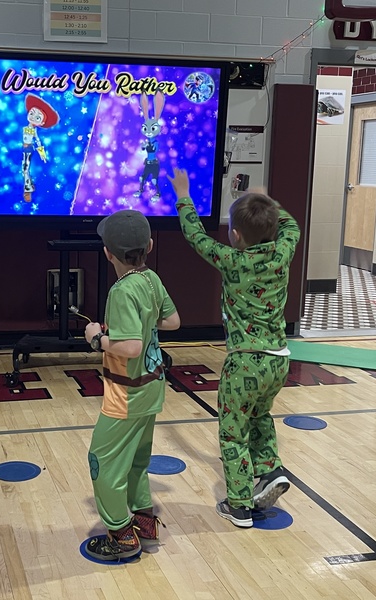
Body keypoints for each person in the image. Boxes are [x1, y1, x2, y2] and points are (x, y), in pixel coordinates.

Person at [168, 167, 301, 528]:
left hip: (245, 362)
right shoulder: (282, 253)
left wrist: (183, 196)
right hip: (278, 360)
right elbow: (291, 227)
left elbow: (196, 237)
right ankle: (270, 470)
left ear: (236, 235)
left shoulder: (233, 260)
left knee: (233, 432)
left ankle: (239, 504)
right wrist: (268, 202)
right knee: (259, 417)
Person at [83, 209, 181, 560]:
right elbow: (173, 321)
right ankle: (144, 523)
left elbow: (131, 348)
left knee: (102, 460)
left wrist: (97, 339)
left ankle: (121, 535)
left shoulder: (122, 291)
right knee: (137, 460)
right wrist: (139, 325)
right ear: (149, 246)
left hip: (126, 393)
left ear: (107, 253)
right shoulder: (151, 279)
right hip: (152, 387)